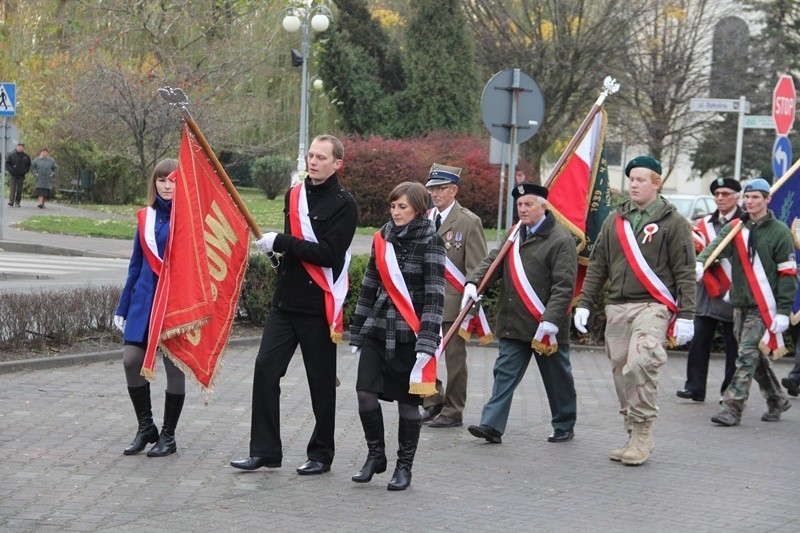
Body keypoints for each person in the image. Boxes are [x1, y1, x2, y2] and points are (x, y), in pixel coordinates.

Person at [231, 135, 357, 475]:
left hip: (318, 306)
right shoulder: (295, 195)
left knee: (320, 382)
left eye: (321, 157)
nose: (313, 162)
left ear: (337, 164)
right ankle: (265, 450)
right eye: (311, 156)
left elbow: (329, 255)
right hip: (285, 303)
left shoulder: (345, 204)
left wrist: (282, 241)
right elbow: (296, 250)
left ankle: (321, 454)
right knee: (265, 370)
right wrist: (275, 250)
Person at [574, 156, 696, 466]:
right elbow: (598, 264)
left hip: (651, 306)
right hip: (617, 306)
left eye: (641, 179)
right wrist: (585, 303)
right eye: (631, 179)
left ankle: (643, 432)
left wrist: (686, 314)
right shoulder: (615, 220)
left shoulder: (673, 222)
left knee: (643, 360)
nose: (634, 184)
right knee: (620, 372)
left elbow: (685, 271)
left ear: (657, 183)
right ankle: (631, 431)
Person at [349, 181, 445, 491]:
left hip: (411, 336)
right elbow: (369, 286)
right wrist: (357, 330)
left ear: (418, 208)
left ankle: (404, 467)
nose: (396, 212)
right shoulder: (382, 238)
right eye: (393, 206)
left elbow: (434, 295)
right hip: (378, 329)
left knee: (407, 405)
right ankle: (376, 455)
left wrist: (428, 342)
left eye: (402, 206)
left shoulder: (431, 241)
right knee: (365, 393)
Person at [466, 183, 578, 445]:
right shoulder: (515, 233)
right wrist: (475, 281)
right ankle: (492, 425)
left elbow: (564, 286)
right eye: (519, 205)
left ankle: (564, 423)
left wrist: (551, 320)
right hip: (514, 322)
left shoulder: (561, 240)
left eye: (528, 204)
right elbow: (494, 260)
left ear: (544, 206)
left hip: (545, 326)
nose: (523, 209)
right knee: (504, 374)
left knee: (557, 379)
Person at [697, 178, 797, 426]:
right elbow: (715, 247)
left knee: (745, 355)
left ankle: (732, 408)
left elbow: (788, 275)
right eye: (748, 197)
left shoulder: (780, 232)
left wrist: (784, 311)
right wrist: (702, 262)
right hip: (739, 302)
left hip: (764, 306)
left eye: (756, 197)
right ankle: (776, 399)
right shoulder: (735, 228)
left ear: (767, 199)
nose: (750, 202)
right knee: (753, 356)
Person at [114, 159, 187, 458]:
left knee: (173, 367)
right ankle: (147, 427)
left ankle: (168, 436)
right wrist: (123, 306)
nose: (167, 186)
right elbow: (135, 265)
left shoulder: (188, 221)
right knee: (131, 360)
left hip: (174, 304)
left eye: (173, 180)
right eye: (162, 180)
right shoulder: (146, 218)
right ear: (154, 183)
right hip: (144, 300)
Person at [419, 163, 487, 428]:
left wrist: (470, 295)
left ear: (454, 190)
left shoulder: (469, 222)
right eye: (432, 189)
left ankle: (454, 410)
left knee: (455, 361)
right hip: (426, 301)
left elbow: (478, 266)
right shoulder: (424, 218)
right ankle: (432, 400)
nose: (435, 193)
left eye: (441, 188)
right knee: (423, 355)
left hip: (453, 302)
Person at [677, 177, 743, 402]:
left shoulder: (745, 222)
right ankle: (694, 387)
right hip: (706, 293)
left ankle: (729, 392)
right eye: (717, 194)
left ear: (737, 196)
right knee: (698, 342)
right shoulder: (703, 223)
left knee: (733, 347)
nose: (720, 198)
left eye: (725, 194)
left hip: (733, 292)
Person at [5, 142, 31, 207]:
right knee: (12, 188)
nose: (20, 148)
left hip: (21, 175)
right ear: (16, 147)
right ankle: (11, 201)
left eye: (22, 147)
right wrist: (11, 170)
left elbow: (28, 165)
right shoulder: (11, 155)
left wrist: (24, 172)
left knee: (19, 189)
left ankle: (17, 202)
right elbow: (7, 164)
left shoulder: (26, 156)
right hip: (13, 174)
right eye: (19, 147)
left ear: (23, 148)